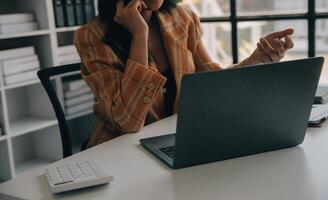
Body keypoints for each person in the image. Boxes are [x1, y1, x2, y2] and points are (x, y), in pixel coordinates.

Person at [74, 0, 294, 148]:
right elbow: (127, 121)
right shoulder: (91, 35)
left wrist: (255, 60)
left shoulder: (182, 17)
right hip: (121, 148)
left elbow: (211, 82)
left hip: (179, 139)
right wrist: (139, 36)